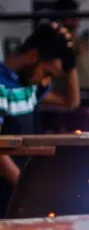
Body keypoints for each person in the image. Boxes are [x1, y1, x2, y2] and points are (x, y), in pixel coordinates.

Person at [0, 22, 76, 211]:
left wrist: (70, 62)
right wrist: (27, 188)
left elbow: (71, 101)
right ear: (34, 56)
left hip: (21, 193)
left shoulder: (28, 88)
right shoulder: (2, 87)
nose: (45, 81)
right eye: (47, 73)